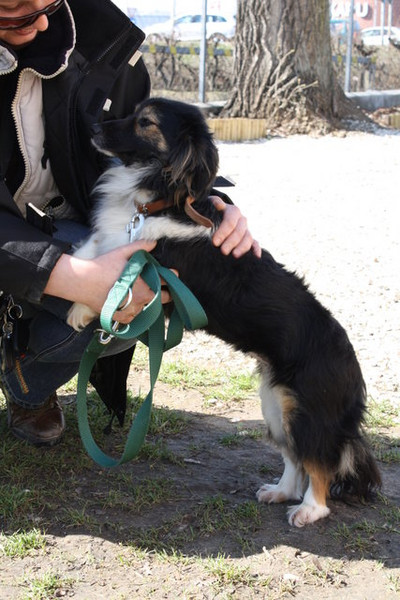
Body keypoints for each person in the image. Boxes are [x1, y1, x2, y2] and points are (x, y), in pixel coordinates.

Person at [0, 0, 260, 448]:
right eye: (14, 9)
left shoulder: (107, 40)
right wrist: (71, 277)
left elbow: (151, 157)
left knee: (141, 289)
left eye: (49, 5)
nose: (42, 22)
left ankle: (25, 379)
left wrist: (203, 203)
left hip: (49, 226)